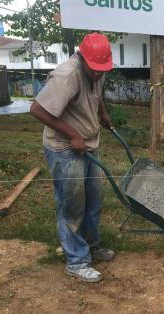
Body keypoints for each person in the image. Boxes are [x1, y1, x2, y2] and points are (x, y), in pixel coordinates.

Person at [30, 32, 115, 283]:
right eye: (95, 69)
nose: (99, 74)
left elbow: (95, 93)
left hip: (88, 145)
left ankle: (91, 245)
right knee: (72, 206)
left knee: (94, 199)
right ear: (81, 57)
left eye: (103, 69)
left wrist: (103, 113)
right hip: (64, 148)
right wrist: (73, 135)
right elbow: (36, 109)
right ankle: (76, 261)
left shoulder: (96, 70)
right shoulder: (66, 76)